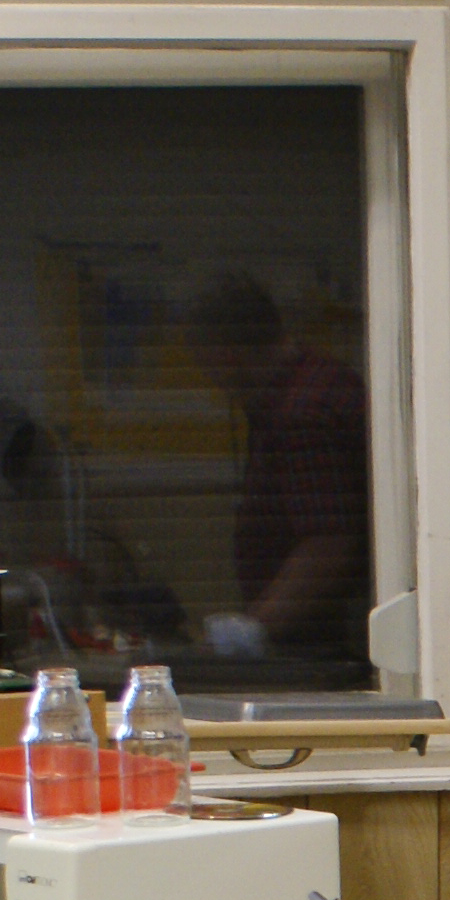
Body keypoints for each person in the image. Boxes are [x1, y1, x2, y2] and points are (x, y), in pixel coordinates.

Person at [183, 271, 371, 676]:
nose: (212, 382)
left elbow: (328, 545)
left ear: (227, 354)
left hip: (323, 644)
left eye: (206, 363)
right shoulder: (322, 379)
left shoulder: (299, 414)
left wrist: (252, 630)